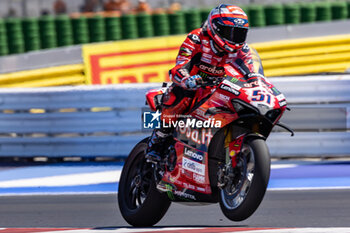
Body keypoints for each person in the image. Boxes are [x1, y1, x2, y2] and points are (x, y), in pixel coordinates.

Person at [146, 4, 263, 162]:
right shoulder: (197, 38)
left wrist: (258, 85)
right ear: (216, 28)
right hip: (193, 86)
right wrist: (188, 80)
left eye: (240, 34)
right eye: (231, 32)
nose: (236, 38)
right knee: (181, 95)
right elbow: (179, 66)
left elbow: (252, 73)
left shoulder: (242, 50)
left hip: (221, 90)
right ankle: (159, 138)